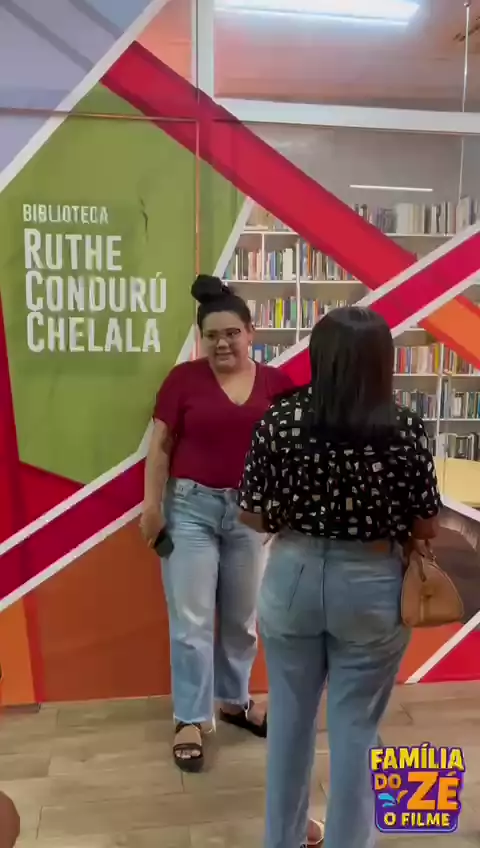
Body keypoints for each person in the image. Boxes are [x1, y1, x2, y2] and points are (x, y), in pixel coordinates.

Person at [238, 306, 442, 848]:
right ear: (383, 361)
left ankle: (282, 840)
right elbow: (426, 523)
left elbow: (250, 513)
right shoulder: (404, 428)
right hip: (373, 582)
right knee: (356, 728)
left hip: (293, 574)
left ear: (318, 356)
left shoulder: (279, 420)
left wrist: (293, 515)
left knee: (289, 721)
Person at [140, 274, 293, 773]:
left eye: (232, 333)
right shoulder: (182, 380)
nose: (222, 343)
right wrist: (152, 507)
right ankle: (190, 718)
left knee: (242, 620)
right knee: (192, 623)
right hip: (190, 511)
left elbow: (292, 453)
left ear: (251, 333)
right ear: (201, 337)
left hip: (250, 517)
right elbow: (160, 447)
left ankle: (233, 701)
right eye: (212, 335)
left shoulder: (278, 385)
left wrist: (283, 510)